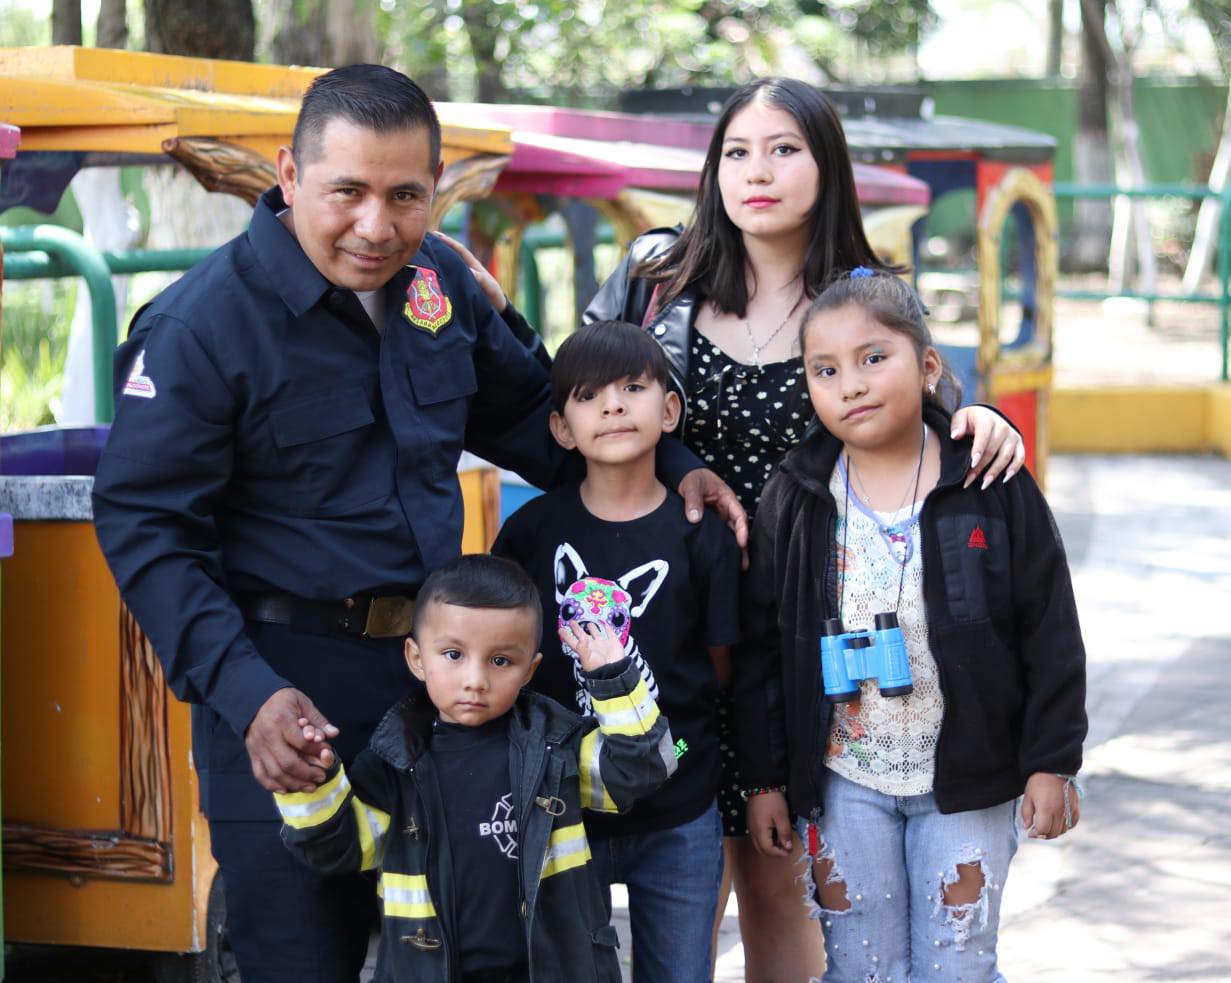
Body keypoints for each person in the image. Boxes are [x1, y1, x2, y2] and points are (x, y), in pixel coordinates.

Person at [90, 64, 736, 982]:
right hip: (286, 695)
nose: (376, 225)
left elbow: (544, 424)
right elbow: (148, 527)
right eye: (346, 191)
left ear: (434, 187)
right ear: (288, 173)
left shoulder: (439, 286)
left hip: (441, 698)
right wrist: (246, 697)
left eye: (405, 195)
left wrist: (677, 470)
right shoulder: (203, 326)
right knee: (298, 962)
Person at [576, 77, 1028, 978]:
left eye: (784, 149)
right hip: (669, 619)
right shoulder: (654, 276)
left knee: (779, 874)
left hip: (799, 629)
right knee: (676, 877)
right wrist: (677, 470)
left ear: (826, 166)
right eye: (737, 151)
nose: (758, 171)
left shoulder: (864, 292)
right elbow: (587, 399)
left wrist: (980, 420)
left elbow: (920, 416)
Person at [735, 268, 1087, 982]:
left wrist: (1052, 759)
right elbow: (760, 648)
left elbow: (1048, 622)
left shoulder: (986, 478)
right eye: (824, 369)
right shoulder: (796, 494)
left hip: (968, 777)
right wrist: (764, 777)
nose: (851, 383)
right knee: (860, 965)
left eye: (873, 357)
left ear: (927, 365)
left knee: (955, 964)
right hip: (842, 780)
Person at [274, 553, 676, 983]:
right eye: (453, 654)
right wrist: (311, 782)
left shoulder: (556, 745)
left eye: (500, 661)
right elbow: (338, 849)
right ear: (416, 657)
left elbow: (645, 766)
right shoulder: (393, 759)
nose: (475, 679)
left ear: (530, 670)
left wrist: (614, 679)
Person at [492, 321, 741, 983]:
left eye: (632, 387)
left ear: (667, 411)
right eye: (588, 394)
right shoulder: (530, 533)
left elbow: (719, 666)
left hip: (680, 801)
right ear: (561, 427)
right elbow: (505, 659)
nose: (611, 404)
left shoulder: (699, 537)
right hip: (560, 804)